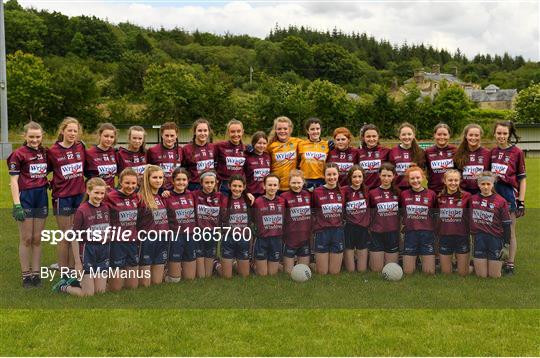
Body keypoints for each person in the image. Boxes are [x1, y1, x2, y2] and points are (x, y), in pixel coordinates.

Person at [52, 178, 110, 296]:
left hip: (102, 252)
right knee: (88, 294)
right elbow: (73, 237)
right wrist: (78, 262)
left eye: (102, 193)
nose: (99, 196)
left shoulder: (106, 208)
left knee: (100, 292)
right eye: (96, 193)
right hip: (87, 252)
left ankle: (78, 281)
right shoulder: (82, 210)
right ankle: (64, 286)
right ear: (88, 191)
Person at [7, 121, 48, 287]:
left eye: (38, 136)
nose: (35, 140)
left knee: (37, 239)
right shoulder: (18, 154)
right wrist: (17, 204)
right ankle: (26, 275)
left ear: (42, 136)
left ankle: (36, 274)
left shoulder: (44, 152)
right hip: (26, 198)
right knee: (26, 238)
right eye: (31, 136)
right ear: (24, 136)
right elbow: (14, 181)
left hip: (41, 197)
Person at [47, 117, 86, 275]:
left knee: (76, 233)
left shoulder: (81, 146)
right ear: (62, 131)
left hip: (80, 195)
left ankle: (72, 267)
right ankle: (63, 269)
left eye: (75, 131)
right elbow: (44, 170)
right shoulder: (53, 151)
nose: (72, 133)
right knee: (66, 234)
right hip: (63, 197)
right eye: (69, 130)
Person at [490, 120, 526, 275]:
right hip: (492, 196)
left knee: (509, 231)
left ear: (509, 134)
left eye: (505, 133)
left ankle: (510, 263)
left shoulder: (517, 152)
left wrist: (521, 201)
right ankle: (497, 257)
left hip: (509, 197)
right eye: (499, 133)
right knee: (494, 230)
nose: (502, 136)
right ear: (494, 133)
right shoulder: (491, 152)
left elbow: (522, 179)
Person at [469, 171, 511, 278]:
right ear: (478, 184)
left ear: (493, 184)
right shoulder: (472, 199)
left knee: (494, 276)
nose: (486, 187)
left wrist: (506, 245)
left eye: (488, 184)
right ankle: (471, 266)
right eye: (483, 184)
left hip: (495, 239)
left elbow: (506, 225)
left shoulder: (501, 201)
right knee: (481, 276)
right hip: (479, 239)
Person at [105, 168, 141, 291]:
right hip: (117, 242)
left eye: (133, 183)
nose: (130, 186)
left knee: (132, 287)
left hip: (132, 241)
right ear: (120, 182)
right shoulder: (110, 197)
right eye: (127, 183)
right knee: (116, 288)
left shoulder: (137, 197)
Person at [400, 164, 437, 275]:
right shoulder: (403, 194)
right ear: (408, 180)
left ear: (423, 177)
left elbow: (435, 215)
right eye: (412, 178)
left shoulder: (431, 194)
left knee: (429, 272)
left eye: (418, 177)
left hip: (427, 234)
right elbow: (401, 214)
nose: (415, 180)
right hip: (410, 234)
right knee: (408, 272)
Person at [138, 165, 169, 287]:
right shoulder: (140, 198)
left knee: (157, 283)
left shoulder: (162, 197)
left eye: (160, 177)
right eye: (154, 177)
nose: (158, 180)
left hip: (162, 238)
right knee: (145, 284)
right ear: (147, 179)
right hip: (147, 239)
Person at [311, 163, 345, 275]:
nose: (332, 177)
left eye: (334, 174)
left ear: (338, 174)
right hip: (322, 232)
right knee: (323, 272)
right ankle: (312, 265)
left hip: (337, 231)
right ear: (324, 176)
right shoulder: (317, 192)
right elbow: (313, 211)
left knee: (334, 272)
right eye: (328, 174)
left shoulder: (343, 191)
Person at [192, 171, 227, 277]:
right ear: (201, 183)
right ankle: (215, 263)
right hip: (197, 233)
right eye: (207, 182)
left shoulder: (220, 196)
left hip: (213, 233)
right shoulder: (194, 195)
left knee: (207, 275)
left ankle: (215, 263)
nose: (209, 185)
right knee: (201, 276)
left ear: (216, 182)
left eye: (212, 182)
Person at [436, 170, 471, 276]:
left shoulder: (467, 196)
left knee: (463, 273)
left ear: (460, 181)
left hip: (462, 237)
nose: (453, 183)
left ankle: (473, 265)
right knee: (446, 273)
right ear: (444, 181)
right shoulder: (439, 198)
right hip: (445, 237)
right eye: (450, 180)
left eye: (456, 180)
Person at [165, 168, 198, 281]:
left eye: (184, 179)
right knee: (175, 280)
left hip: (190, 235)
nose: (181, 182)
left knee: (190, 278)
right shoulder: (166, 196)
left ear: (188, 181)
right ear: (173, 181)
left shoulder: (192, 195)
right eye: (178, 179)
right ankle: (166, 269)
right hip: (175, 235)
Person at [368, 163, 400, 272]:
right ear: (379, 175)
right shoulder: (372, 193)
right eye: (384, 175)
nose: (386, 178)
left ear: (394, 176)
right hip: (377, 233)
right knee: (377, 270)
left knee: (391, 269)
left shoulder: (398, 193)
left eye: (389, 176)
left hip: (392, 233)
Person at [252, 175, 285, 276]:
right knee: (262, 274)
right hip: (262, 240)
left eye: (275, 185)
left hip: (276, 240)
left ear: (278, 186)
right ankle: (252, 265)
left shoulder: (282, 201)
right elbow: (253, 219)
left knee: (272, 274)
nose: (272, 187)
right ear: (264, 186)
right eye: (269, 185)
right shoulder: (257, 202)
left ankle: (279, 265)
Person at [280, 170, 312, 274]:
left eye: (299, 182)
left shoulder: (308, 195)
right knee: (288, 273)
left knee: (303, 272)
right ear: (289, 183)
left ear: (303, 182)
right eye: (294, 183)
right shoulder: (283, 197)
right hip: (289, 239)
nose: (296, 185)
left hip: (304, 238)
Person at [220, 174, 252, 278]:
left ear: (244, 187)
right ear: (229, 186)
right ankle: (216, 264)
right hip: (228, 238)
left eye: (239, 186)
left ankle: (234, 263)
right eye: (234, 186)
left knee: (245, 275)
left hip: (243, 238)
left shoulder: (249, 200)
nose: (237, 189)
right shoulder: (223, 199)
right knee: (227, 277)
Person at [341, 165, 370, 272]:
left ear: (363, 177)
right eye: (354, 177)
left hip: (363, 227)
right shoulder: (344, 190)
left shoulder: (367, 191)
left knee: (362, 270)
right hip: (349, 227)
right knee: (351, 270)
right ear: (350, 178)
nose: (357, 179)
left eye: (359, 176)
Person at [453, 124, 490, 195]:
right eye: (471, 135)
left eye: (476, 135)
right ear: (466, 136)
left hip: (481, 193)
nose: (473, 138)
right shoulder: (458, 153)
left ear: (480, 136)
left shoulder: (487, 153)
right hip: (463, 193)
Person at [267, 116, 302, 192]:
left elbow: (311, 144)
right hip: (276, 187)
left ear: (290, 130)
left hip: (293, 186)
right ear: (275, 130)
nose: (282, 131)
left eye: (285, 129)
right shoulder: (270, 145)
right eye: (279, 129)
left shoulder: (297, 142)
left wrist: (330, 144)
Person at [146, 122, 183, 190]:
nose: (169, 138)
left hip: (176, 188)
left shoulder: (181, 150)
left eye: (172, 135)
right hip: (158, 189)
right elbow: (148, 171)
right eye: (166, 135)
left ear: (176, 135)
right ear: (162, 135)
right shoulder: (152, 150)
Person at [388, 122, 425, 191]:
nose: (406, 137)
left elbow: (422, 171)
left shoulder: (420, 152)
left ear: (413, 135)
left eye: (409, 134)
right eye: (403, 135)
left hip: (415, 188)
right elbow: (391, 171)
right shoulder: (393, 151)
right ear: (399, 136)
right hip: (397, 188)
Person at [182, 118, 216, 191]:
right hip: (194, 186)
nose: (203, 133)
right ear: (195, 132)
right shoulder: (186, 149)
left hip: (210, 185)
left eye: (205, 130)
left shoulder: (214, 147)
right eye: (200, 131)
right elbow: (183, 169)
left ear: (209, 132)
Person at [214, 119, 246, 194]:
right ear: (228, 133)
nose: (236, 134)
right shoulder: (219, 146)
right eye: (232, 132)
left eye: (238, 131)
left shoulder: (246, 148)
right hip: (223, 185)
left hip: (239, 185)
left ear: (242, 132)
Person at [297, 118, 329, 190]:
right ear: (307, 131)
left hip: (321, 180)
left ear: (320, 130)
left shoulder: (327, 144)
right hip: (305, 180)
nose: (315, 131)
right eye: (312, 129)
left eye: (317, 129)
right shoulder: (301, 144)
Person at [425, 123, 457, 194]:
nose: (442, 137)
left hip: (451, 190)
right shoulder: (428, 151)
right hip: (433, 190)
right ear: (434, 135)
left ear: (449, 135)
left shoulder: (455, 150)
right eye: (439, 134)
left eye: (445, 134)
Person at [85, 123, 118, 188]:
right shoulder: (89, 153)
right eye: (106, 136)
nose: (109, 139)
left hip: (110, 193)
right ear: (100, 135)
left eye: (112, 137)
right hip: (96, 193)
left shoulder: (115, 152)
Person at [358, 124, 390, 190]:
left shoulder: (386, 151)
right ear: (363, 138)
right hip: (363, 189)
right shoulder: (357, 152)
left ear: (378, 137)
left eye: (374, 136)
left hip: (380, 190)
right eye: (368, 136)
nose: (371, 139)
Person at [244, 131, 271, 197]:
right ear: (253, 143)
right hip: (251, 193)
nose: (262, 145)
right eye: (259, 143)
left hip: (266, 193)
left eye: (264, 143)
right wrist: (246, 192)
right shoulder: (247, 156)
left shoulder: (267, 156)